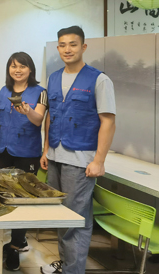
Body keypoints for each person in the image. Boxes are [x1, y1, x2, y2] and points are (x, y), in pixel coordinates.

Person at [40, 26, 116, 274]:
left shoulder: (99, 79)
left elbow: (108, 121)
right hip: (55, 155)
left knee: (76, 218)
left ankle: (73, 270)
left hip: (80, 159)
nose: (67, 49)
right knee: (61, 215)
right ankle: (65, 264)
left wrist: (99, 160)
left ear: (83, 47)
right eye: (62, 45)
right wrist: (46, 150)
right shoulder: (53, 78)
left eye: (73, 44)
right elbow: (50, 116)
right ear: (58, 48)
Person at [0, 52, 48, 270]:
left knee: (24, 198)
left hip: (27, 153)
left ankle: (16, 246)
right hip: (3, 150)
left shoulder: (40, 92)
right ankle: (8, 239)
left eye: (22, 66)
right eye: (13, 66)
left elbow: (39, 120)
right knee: (5, 196)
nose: (17, 70)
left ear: (30, 69)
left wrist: (28, 112)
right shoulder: (3, 91)